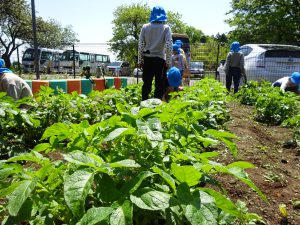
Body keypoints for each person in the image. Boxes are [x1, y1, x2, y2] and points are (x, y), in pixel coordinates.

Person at [138, 6, 173, 100]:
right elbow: (169, 46)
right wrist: (168, 62)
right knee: (159, 85)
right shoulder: (166, 28)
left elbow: (141, 45)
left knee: (146, 84)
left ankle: (144, 104)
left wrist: (140, 60)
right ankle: (156, 107)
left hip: (147, 59)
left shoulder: (145, 27)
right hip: (160, 60)